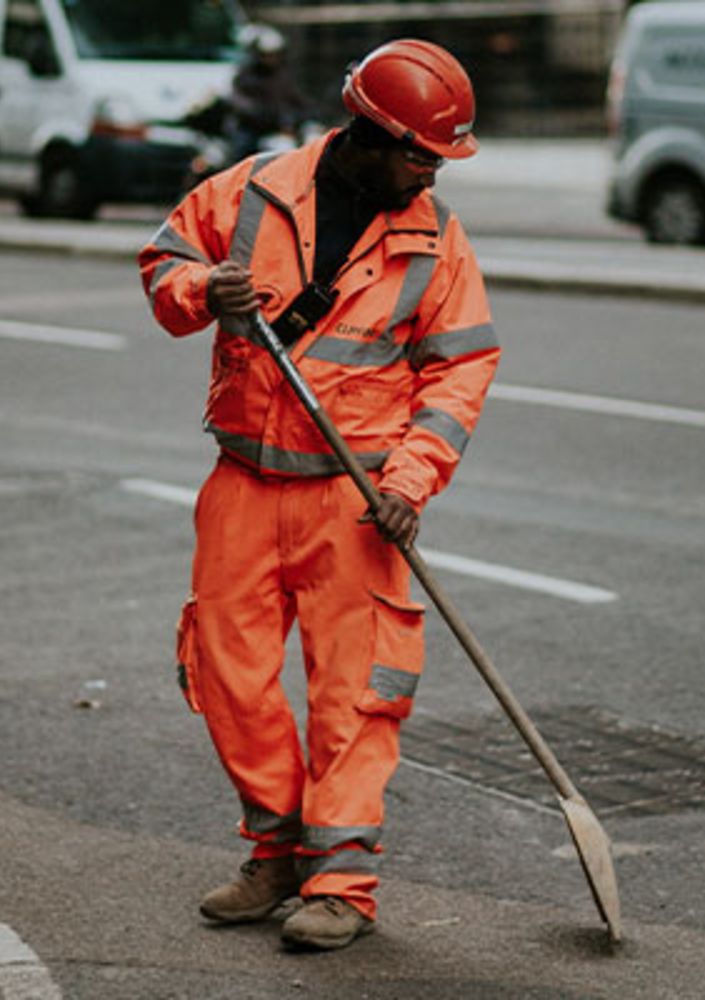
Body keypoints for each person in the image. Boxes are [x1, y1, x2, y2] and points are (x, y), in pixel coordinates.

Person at [138, 38, 500, 951]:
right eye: (419, 154)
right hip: (243, 484)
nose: (429, 174)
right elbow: (164, 261)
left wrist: (410, 482)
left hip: (355, 496)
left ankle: (342, 882)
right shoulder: (251, 192)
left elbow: (459, 373)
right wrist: (198, 290)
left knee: (356, 694)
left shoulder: (435, 237)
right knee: (230, 677)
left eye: (439, 159)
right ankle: (277, 850)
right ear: (367, 133)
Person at [225, 24, 313, 162]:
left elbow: (299, 101)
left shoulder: (284, 76)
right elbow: (239, 101)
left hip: (278, 129)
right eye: (266, 55)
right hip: (252, 128)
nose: (271, 59)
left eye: (275, 54)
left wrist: (296, 118)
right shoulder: (247, 76)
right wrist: (260, 113)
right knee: (241, 152)